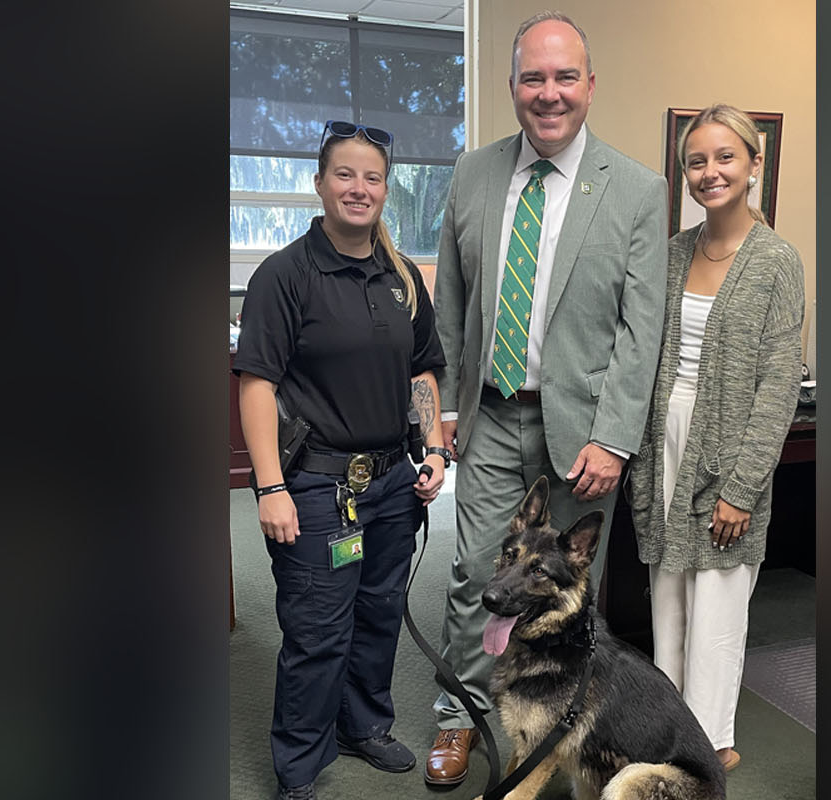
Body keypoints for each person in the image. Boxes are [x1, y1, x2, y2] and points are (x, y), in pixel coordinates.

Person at [425, 11, 668, 787]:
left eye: (565, 77)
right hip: (491, 412)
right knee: (474, 573)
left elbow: (642, 329)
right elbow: (453, 301)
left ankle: (563, 722)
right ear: (512, 86)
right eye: (534, 77)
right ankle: (459, 714)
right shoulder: (473, 172)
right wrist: (448, 413)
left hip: (585, 434)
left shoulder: (636, 189)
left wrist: (616, 436)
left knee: (564, 591)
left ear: (589, 86)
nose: (549, 93)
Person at [233, 120, 450, 800]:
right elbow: (257, 385)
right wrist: (269, 486)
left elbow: (422, 372)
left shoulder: (402, 277)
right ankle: (298, 769)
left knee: (379, 612)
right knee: (317, 630)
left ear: (388, 188)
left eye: (373, 177)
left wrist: (436, 448)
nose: (360, 189)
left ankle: (363, 725)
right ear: (320, 184)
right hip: (318, 489)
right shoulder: (284, 276)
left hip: (391, 483)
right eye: (345, 175)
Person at [628, 103, 806, 773]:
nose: (711, 172)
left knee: (718, 608)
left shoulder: (776, 262)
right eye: (697, 161)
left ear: (755, 163)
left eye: (725, 157)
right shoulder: (673, 253)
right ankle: (664, 727)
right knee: (667, 592)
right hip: (664, 445)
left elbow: (778, 385)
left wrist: (741, 488)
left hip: (730, 454)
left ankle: (709, 743)